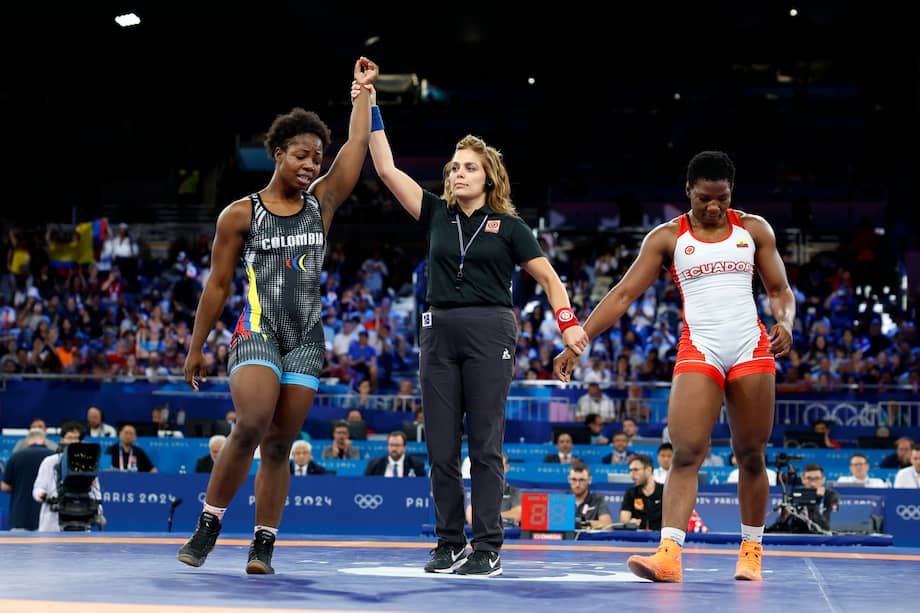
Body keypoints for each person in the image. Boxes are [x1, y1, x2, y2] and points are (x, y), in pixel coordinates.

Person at [358, 83, 588, 577]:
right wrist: (370, 103)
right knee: (440, 446)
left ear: (488, 177)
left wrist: (568, 326)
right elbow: (384, 167)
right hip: (437, 331)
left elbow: (548, 278)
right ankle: (449, 542)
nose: (458, 173)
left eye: (468, 167)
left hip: (490, 332)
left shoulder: (509, 226)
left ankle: (487, 546)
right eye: (453, 167)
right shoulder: (435, 214)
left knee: (484, 445)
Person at [176, 57, 378, 575]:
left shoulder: (323, 202)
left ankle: (263, 544)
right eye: (300, 156)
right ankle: (208, 526)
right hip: (258, 332)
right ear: (276, 153)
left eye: (316, 157)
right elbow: (218, 284)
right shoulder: (240, 214)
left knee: (281, 443)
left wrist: (362, 93)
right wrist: (196, 347)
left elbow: (357, 148)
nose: (311, 165)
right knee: (251, 423)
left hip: (307, 336)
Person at [555, 151, 795, 583]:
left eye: (721, 198)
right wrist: (580, 340)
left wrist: (786, 322)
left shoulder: (754, 228)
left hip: (750, 346)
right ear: (688, 192)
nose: (713, 207)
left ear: (731, 193)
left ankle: (751, 551)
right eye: (704, 198)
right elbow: (624, 294)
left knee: (752, 454)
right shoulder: (667, 238)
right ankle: (669, 553)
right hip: (699, 345)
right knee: (686, 451)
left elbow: (779, 289)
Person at [32, 421, 103, 531]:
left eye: (76, 438)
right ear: (62, 439)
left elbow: (96, 494)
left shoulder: (88, 462)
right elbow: (38, 488)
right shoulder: (50, 462)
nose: (72, 442)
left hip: (82, 522)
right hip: (52, 524)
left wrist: (99, 513)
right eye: (69, 438)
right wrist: (43, 495)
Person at [1, 428, 55, 530]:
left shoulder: (15, 457)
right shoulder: (53, 457)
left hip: (20, 517)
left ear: (26, 442)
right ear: (44, 441)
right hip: (45, 519)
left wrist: (19, 488)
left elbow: (4, 486)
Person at [465, 452, 521, 527]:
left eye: (500, 466)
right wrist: (504, 517)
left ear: (507, 468)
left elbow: (518, 515)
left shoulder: (515, 492)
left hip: (507, 535)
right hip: (483, 535)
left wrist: (486, 516)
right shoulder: (478, 491)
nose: (496, 470)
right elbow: (471, 518)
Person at [620, 454, 664, 530]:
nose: (632, 474)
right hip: (638, 538)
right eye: (630, 470)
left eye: (636, 470)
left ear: (648, 470)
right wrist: (629, 522)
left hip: (661, 537)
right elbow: (624, 520)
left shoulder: (665, 491)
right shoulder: (631, 493)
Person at [567, 462, 613, 529]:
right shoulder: (560, 499)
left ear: (589, 480)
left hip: (589, 539)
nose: (577, 484)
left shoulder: (598, 500)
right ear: (569, 479)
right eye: (574, 479)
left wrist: (581, 524)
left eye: (582, 480)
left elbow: (607, 525)